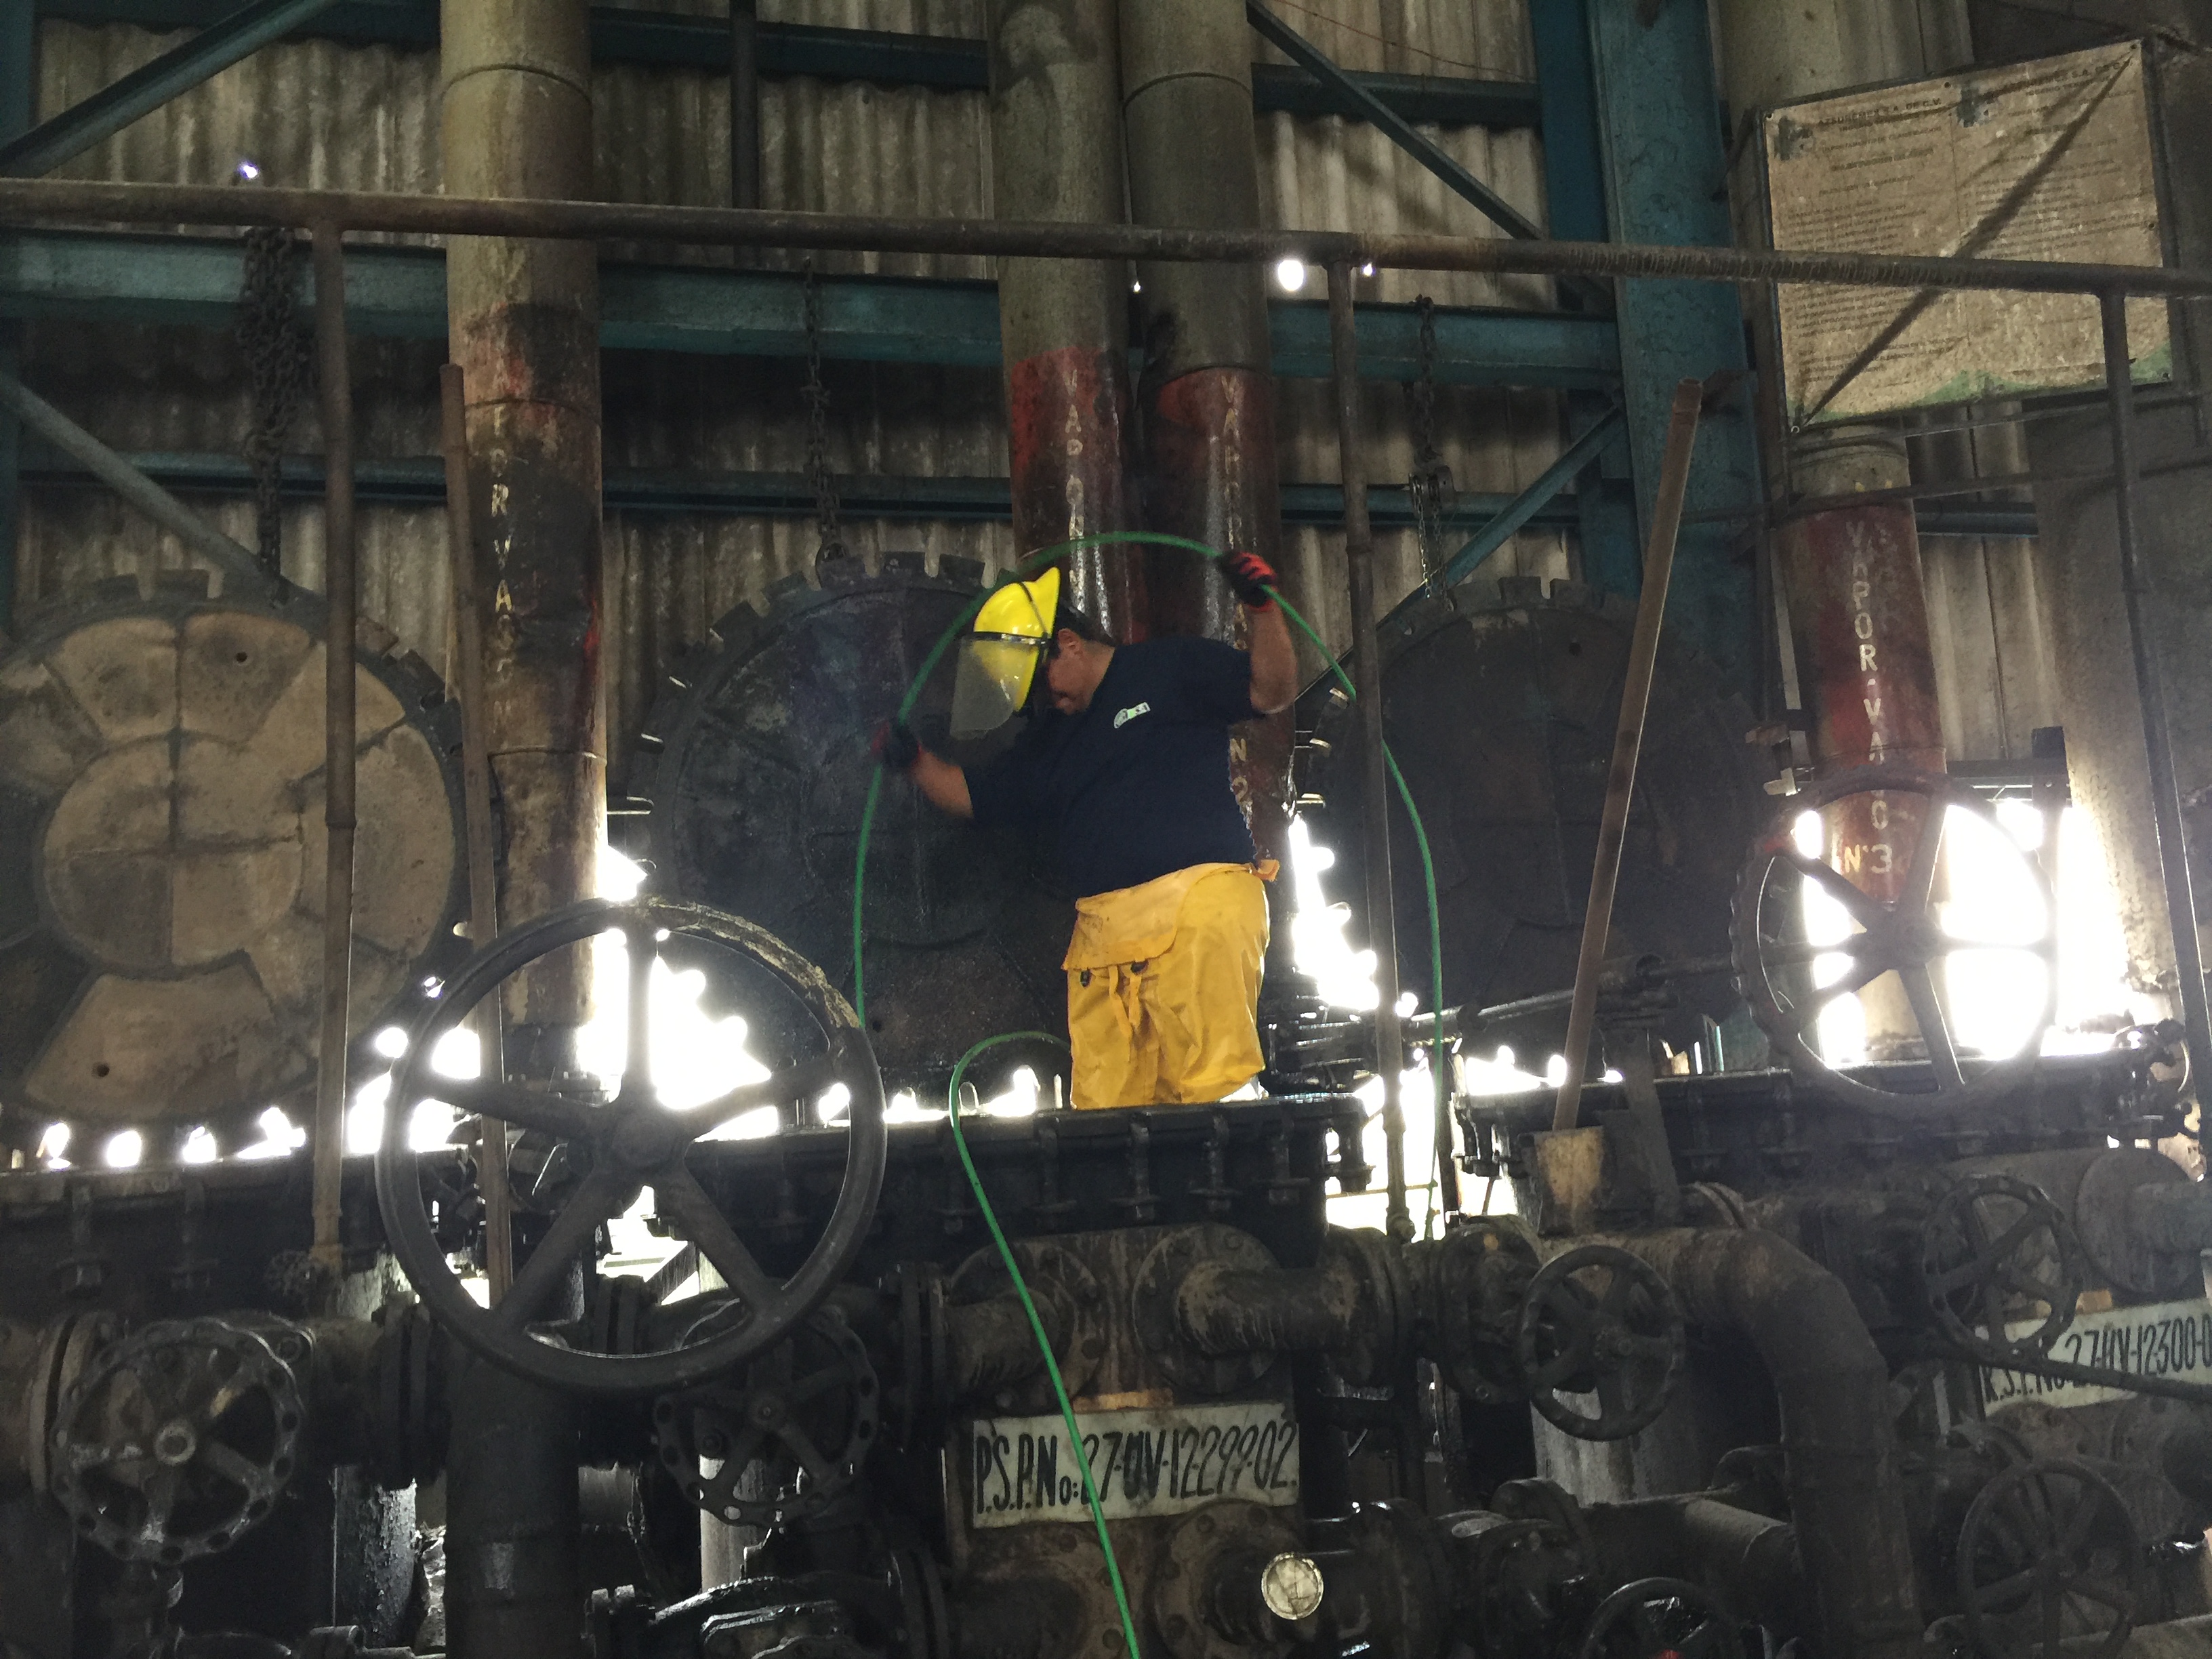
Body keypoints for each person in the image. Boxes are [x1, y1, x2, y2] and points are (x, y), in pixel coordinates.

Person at [876, 552, 1298, 1108]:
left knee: (1214, 1096)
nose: (1049, 703)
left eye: (1046, 686)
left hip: (1197, 913)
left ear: (1070, 644)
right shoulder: (1052, 739)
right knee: (1109, 1119)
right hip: (1105, 945)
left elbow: (1271, 690)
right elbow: (972, 797)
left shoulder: (1169, 667)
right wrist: (914, 762)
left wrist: (1262, 608)